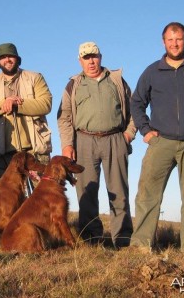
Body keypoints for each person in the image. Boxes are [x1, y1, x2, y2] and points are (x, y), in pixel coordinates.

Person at [57, 42, 136, 249]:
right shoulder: (73, 85)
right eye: (86, 57)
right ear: (80, 60)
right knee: (86, 191)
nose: (91, 61)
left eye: (94, 56)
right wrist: (67, 145)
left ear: (100, 56)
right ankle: (91, 239)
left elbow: (134, 109)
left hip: (115, 139)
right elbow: (64, 117)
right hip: (83, 140)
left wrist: (128, 135)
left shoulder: (116, 80)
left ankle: (122, 239)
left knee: (119, 191)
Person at [130, 22, 184, 253]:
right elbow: (137, 102)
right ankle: (141, 245)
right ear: (163, 42)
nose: (174, 43)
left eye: (178, 39)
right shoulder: (152, 71)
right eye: (170, 39)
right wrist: (145, 130)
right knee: (147, 193)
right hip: (161, 142)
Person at [0, 43, 52, 182]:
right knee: (12, 199)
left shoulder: (35, 77)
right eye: (3, 57)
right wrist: (3, 102)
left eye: (10, 56)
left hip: (35, 149)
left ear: (17, 59)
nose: (7, 60)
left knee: (43, 195)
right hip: (4, 153)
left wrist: (17, 104)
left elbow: (46, 104)